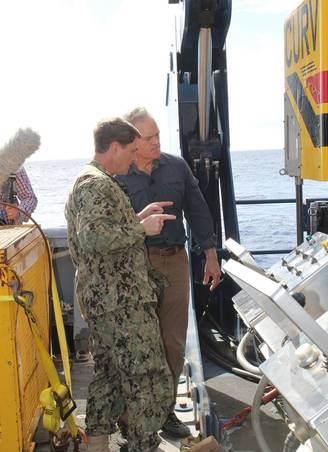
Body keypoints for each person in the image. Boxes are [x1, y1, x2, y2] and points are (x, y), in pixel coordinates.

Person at [65, 117, 175, 452]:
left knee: (110, 376)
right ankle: (144, 445)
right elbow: (95, 237)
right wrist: (143, 229)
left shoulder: (95, 181)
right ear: (114, 147)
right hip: (120, 303)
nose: (133, 158)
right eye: (130, 151)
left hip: (109, 301)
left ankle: (97, 444)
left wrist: (136, 218)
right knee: (148, 377)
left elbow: (101, 233)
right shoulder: (95, 185)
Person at [118, 107, 221, 438]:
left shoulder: (176, 166)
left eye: (158, 135)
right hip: (136, 264)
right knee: (137, 342)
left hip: (176, 261)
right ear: (131, 141)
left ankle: (164, 413)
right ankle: (134, 413)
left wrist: (210, 255)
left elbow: (199, 210)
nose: (155, 142)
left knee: (172, 342)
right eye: (148, 138)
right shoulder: (116, 175)